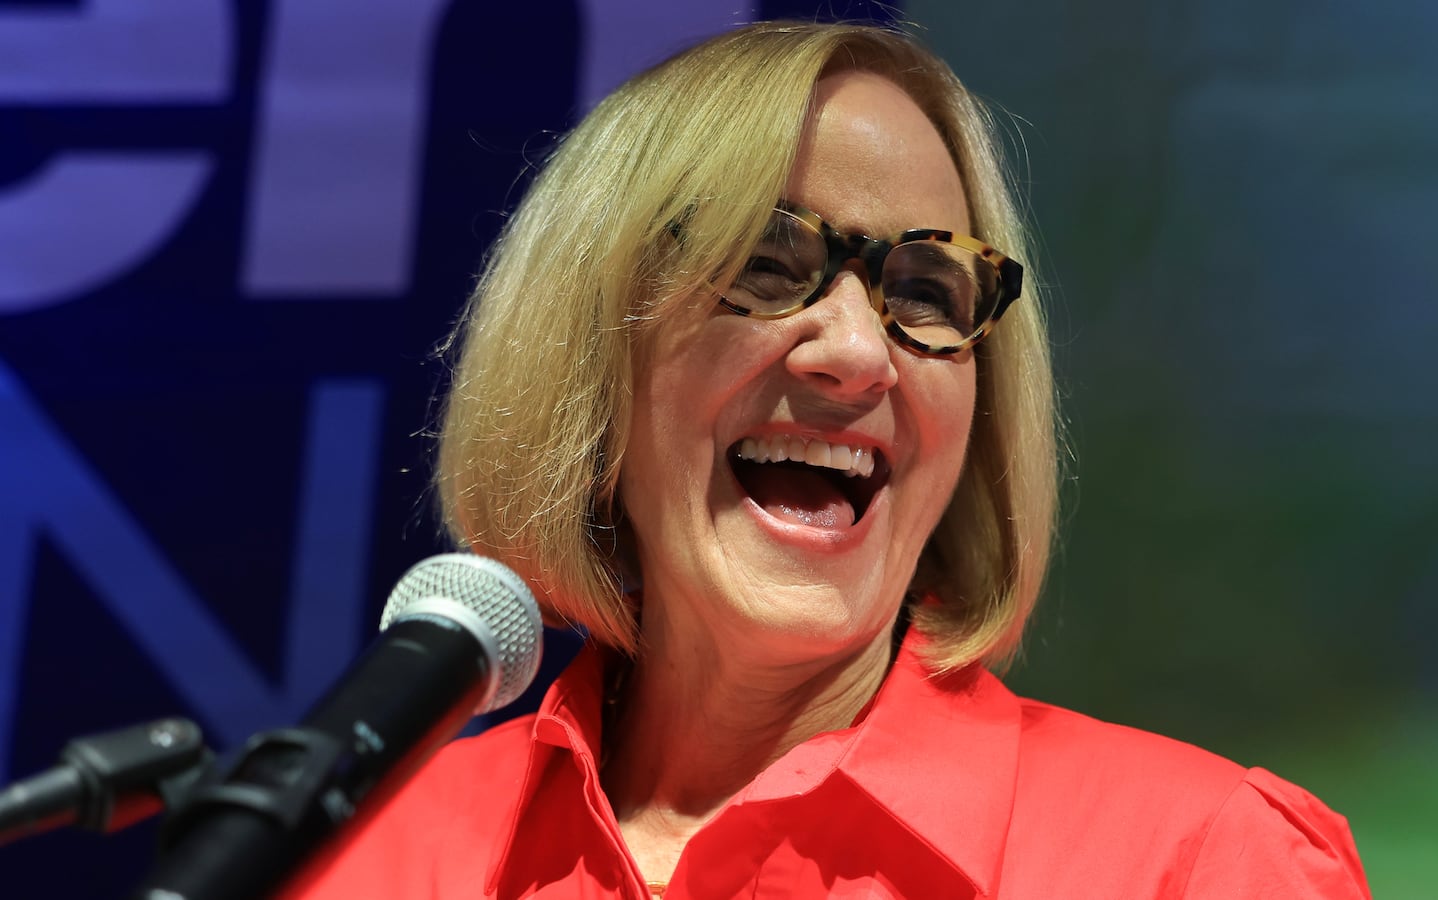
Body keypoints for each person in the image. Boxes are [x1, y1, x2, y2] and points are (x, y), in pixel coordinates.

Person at [287, 21, 1371, 899]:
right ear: (590, 351)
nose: (858, 354)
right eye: (764, 263)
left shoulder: (1196, 864)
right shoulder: (365, 865)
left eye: (926, 292)